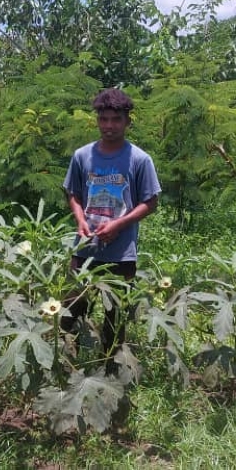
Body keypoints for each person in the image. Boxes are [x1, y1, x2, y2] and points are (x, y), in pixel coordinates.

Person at [61, 87, 161, 361]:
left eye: (116, 120)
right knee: (71, 310)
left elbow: (150, 202)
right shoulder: (83, 156)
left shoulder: (139, 159)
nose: (109, 126)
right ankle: (68, 364)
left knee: (115, 318)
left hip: (121, 252)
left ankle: (110, 369)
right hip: (85, 249)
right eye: (104, 119)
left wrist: (119, 225)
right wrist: (80, 219)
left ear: (128, 121)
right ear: (97, 121)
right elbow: (73, 193)